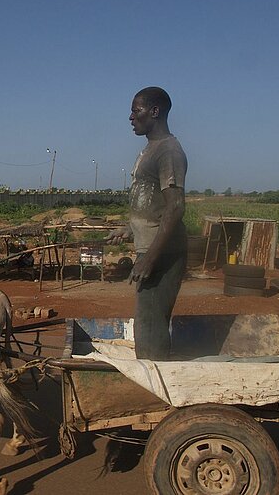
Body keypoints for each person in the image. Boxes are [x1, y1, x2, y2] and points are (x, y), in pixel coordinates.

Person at [107, 87, 187, 360]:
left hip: (163, 253)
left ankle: (156, 390)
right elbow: (154, 205)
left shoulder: (168, 151)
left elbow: (175, 208)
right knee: (147, 322)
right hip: (152, 247)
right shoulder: (150, 150)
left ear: (155, 112)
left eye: (136, 110)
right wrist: (130, 229)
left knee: (150, 325)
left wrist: (150, 258)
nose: (131, 117)